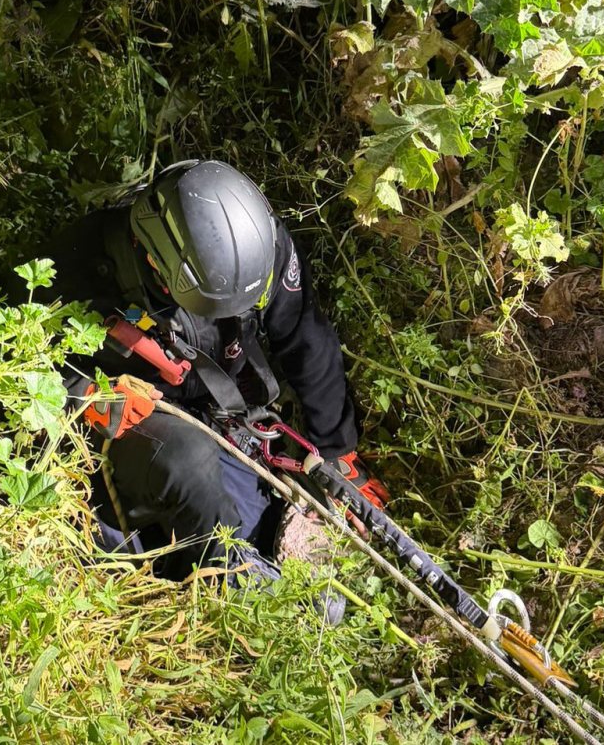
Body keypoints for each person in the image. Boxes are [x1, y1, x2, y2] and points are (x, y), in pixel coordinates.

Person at [41, 159, 388, 580]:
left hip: (221, 413)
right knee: (188, 470)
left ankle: (248, 564)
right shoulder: (80, 266)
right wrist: (88, 394)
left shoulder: (257, 245)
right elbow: (18, 354)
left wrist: (336, 448)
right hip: (141, 423)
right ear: (158, 268)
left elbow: (305, 336)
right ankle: (228, 586)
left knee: (263, 523)